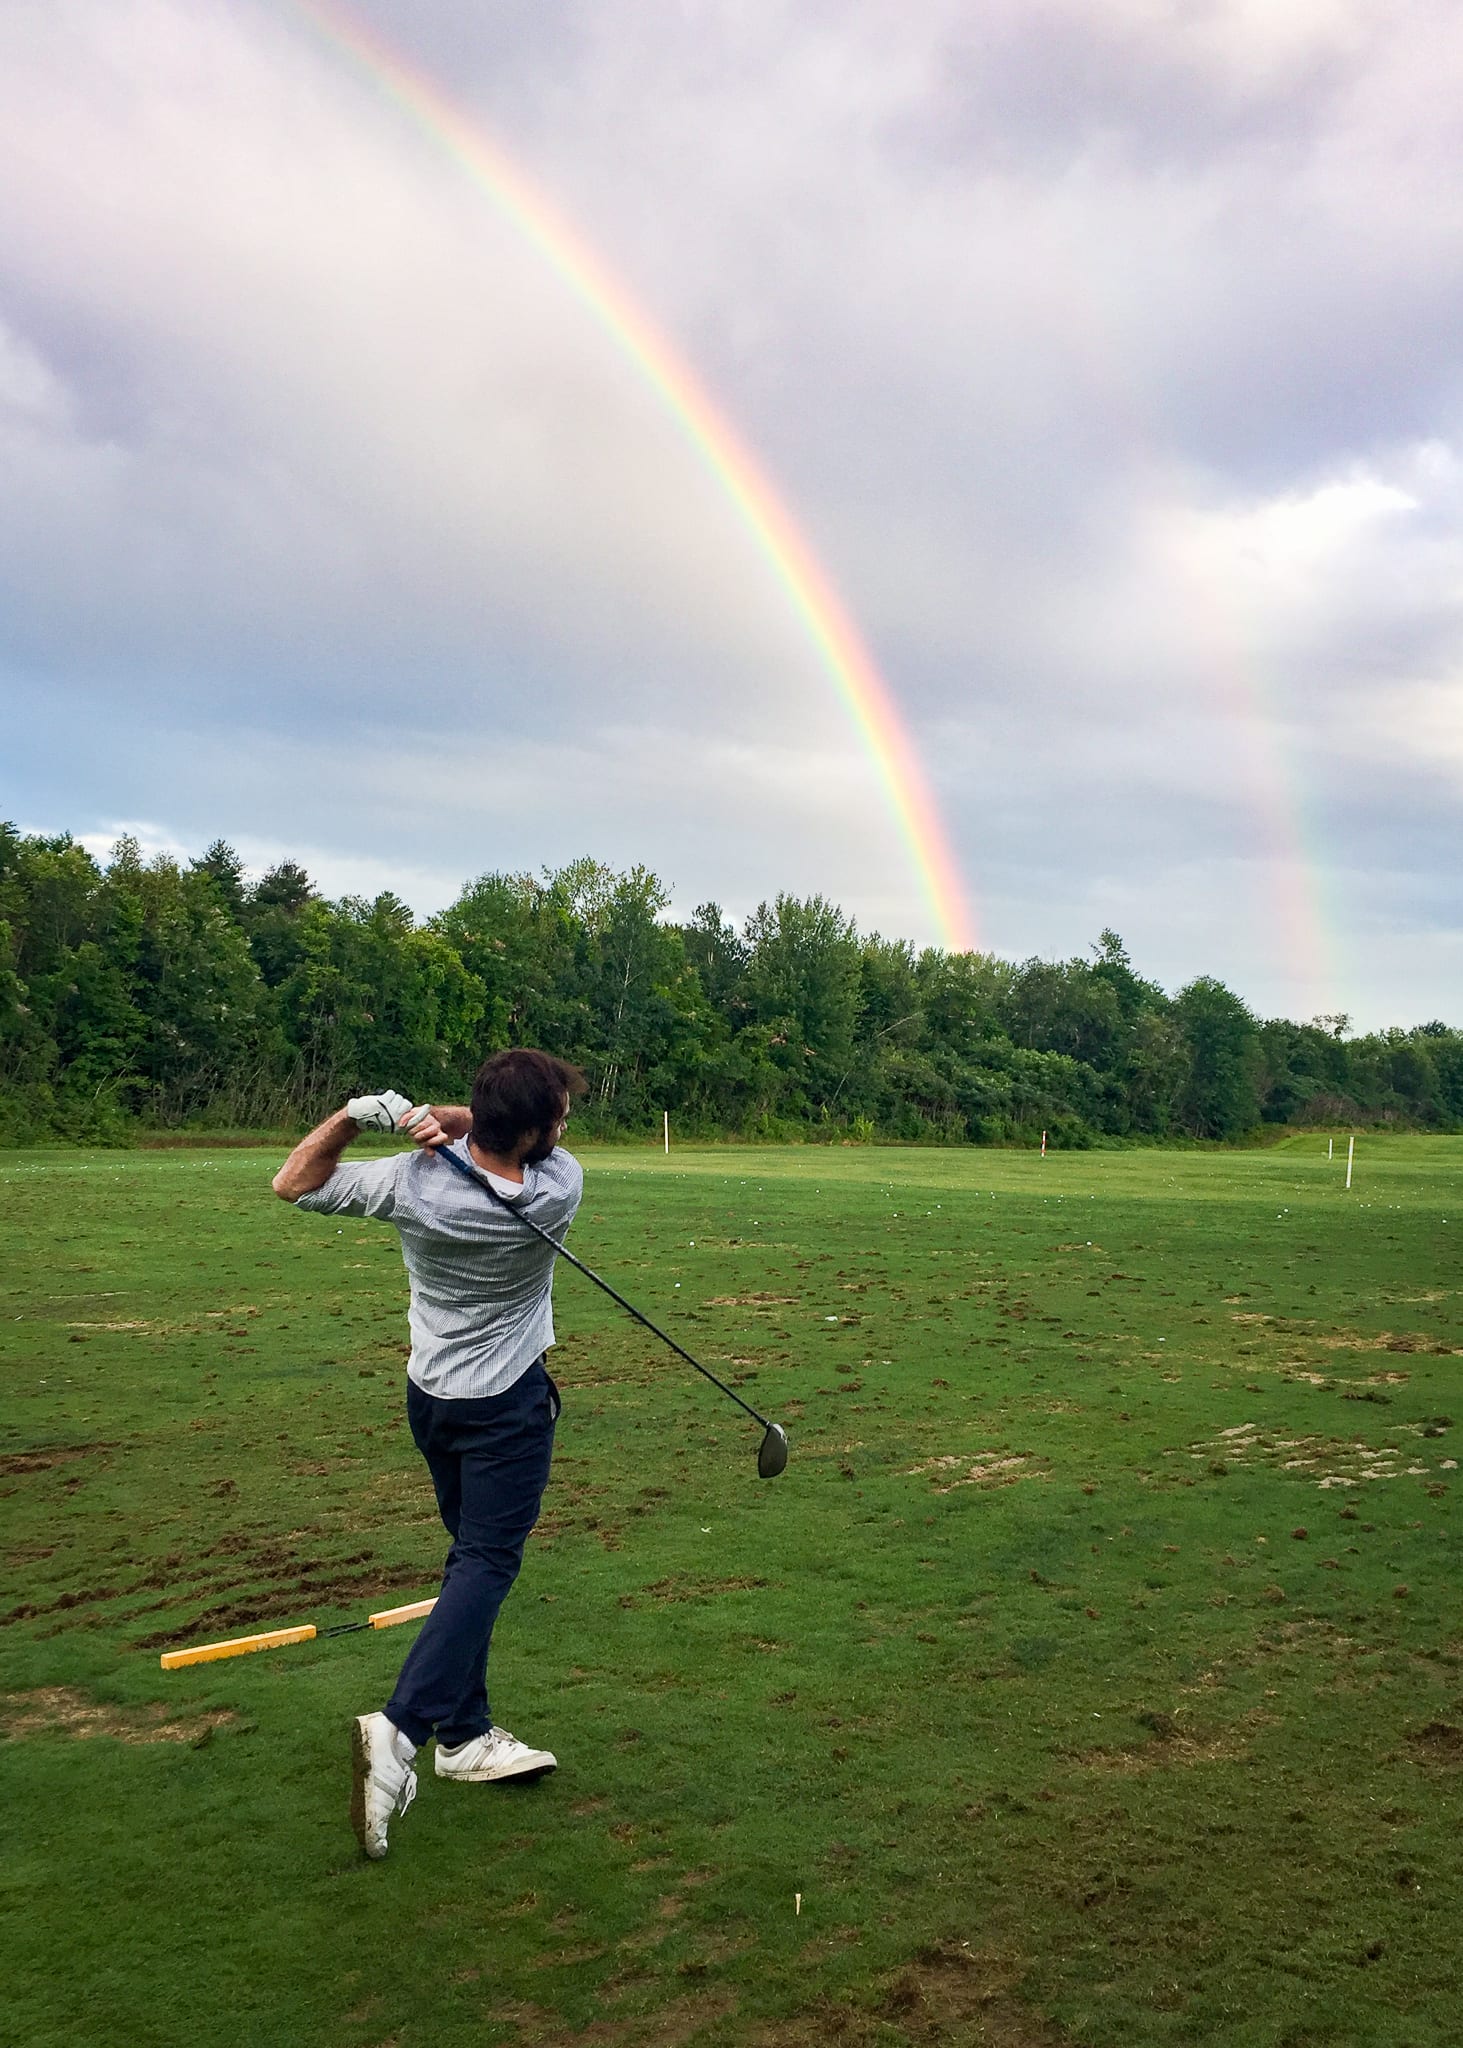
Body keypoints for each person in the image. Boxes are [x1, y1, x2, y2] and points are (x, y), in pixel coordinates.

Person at [271, 1047, 587, 1859]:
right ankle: (402, 1728)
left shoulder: (410, 1185)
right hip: (508, 1406)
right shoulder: (557, 1188)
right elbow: (498, 1136)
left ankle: (466, 1734)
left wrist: (356, 1115)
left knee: (467, 1563)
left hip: (432, 1399)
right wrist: (445, 1125)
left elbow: (294, 1182)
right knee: (486, 1563)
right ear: (540, 1135)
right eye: (558, 1117)